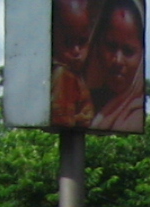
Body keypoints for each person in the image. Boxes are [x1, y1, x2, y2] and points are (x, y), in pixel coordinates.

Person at [87, 0, 145, 133]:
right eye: (111, 46)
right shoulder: (79, 102)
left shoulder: (133, 116)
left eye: (128, 51)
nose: (117, 60)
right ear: (97, 45)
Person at [49, 0, 94, 128]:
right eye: (68, 43)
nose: (76, 51)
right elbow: (62, 120)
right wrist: (81, 118)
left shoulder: (76, 74)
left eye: (82, 42)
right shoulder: (64, 75)